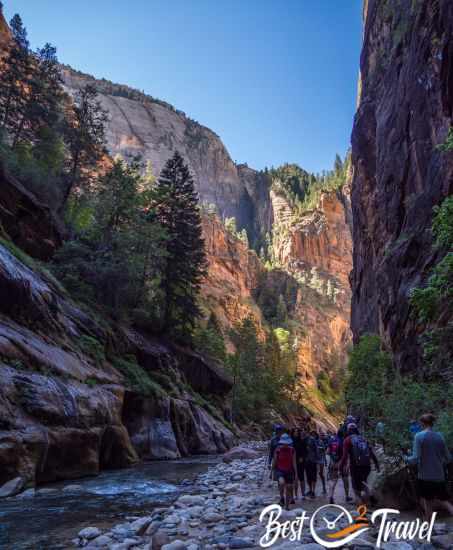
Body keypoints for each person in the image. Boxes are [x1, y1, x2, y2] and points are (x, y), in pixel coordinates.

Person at [406, 413, 453, 520]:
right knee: (444, 500)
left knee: (427, 501)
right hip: (439, 475)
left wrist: (406, 458)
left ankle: (428, 525)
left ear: (422, 423)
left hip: (425, 475)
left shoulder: (419, 436)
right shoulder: (439, 436)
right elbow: (448, 458)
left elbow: (415, 457)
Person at [339, 423, 379, 505]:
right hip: (367, 465)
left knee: (356, 489)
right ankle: (370, 496)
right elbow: (371, 453)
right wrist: (376, 464)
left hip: (355, 466)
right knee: (363, 482)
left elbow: (345, 456)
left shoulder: (347, 440)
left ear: (348, 430)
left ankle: (361, 510)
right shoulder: (363, 438)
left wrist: (340, 467)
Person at [272, 433, 298, 510]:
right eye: (284, 443)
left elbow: (294, 462)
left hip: (289, 471)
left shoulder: (292, 450)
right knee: (282, 483)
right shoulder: (278, 450)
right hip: (280, 470)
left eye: (286, 443)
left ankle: (286, 506)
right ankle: (281, 497)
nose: (285, 444)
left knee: (289, 487)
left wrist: (296, 474)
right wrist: (272, 471)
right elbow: (275, 461)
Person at [327, 432, 346, 504]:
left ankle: (331, 496)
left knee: (332, 480)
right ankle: (347, 496)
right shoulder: (342, 442)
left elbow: (328, 452)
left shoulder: (331, 441)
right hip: (339, 463)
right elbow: (344, 454)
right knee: (340, 480)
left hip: (332, 463)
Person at [293, 428, 308, 500]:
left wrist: (302, 457)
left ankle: (303, 494)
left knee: (301, 478)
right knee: (294, 479)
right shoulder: (291, 442)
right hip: (293, 462)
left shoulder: (302, 441)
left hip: (301, 462)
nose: (296, 433)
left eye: (297, 432)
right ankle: (295, 494)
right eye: (295, 432)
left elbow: (305, 451)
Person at [304, 430, 319, 498]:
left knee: (313, 476)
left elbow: (316, 449)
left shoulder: (312, 439)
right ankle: (310, 490)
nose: (304, 433)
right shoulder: (303, 440)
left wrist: (317, 460)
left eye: (305, 432)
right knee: (308, 476)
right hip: (306, 461)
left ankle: (313, 491)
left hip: (313, 460)